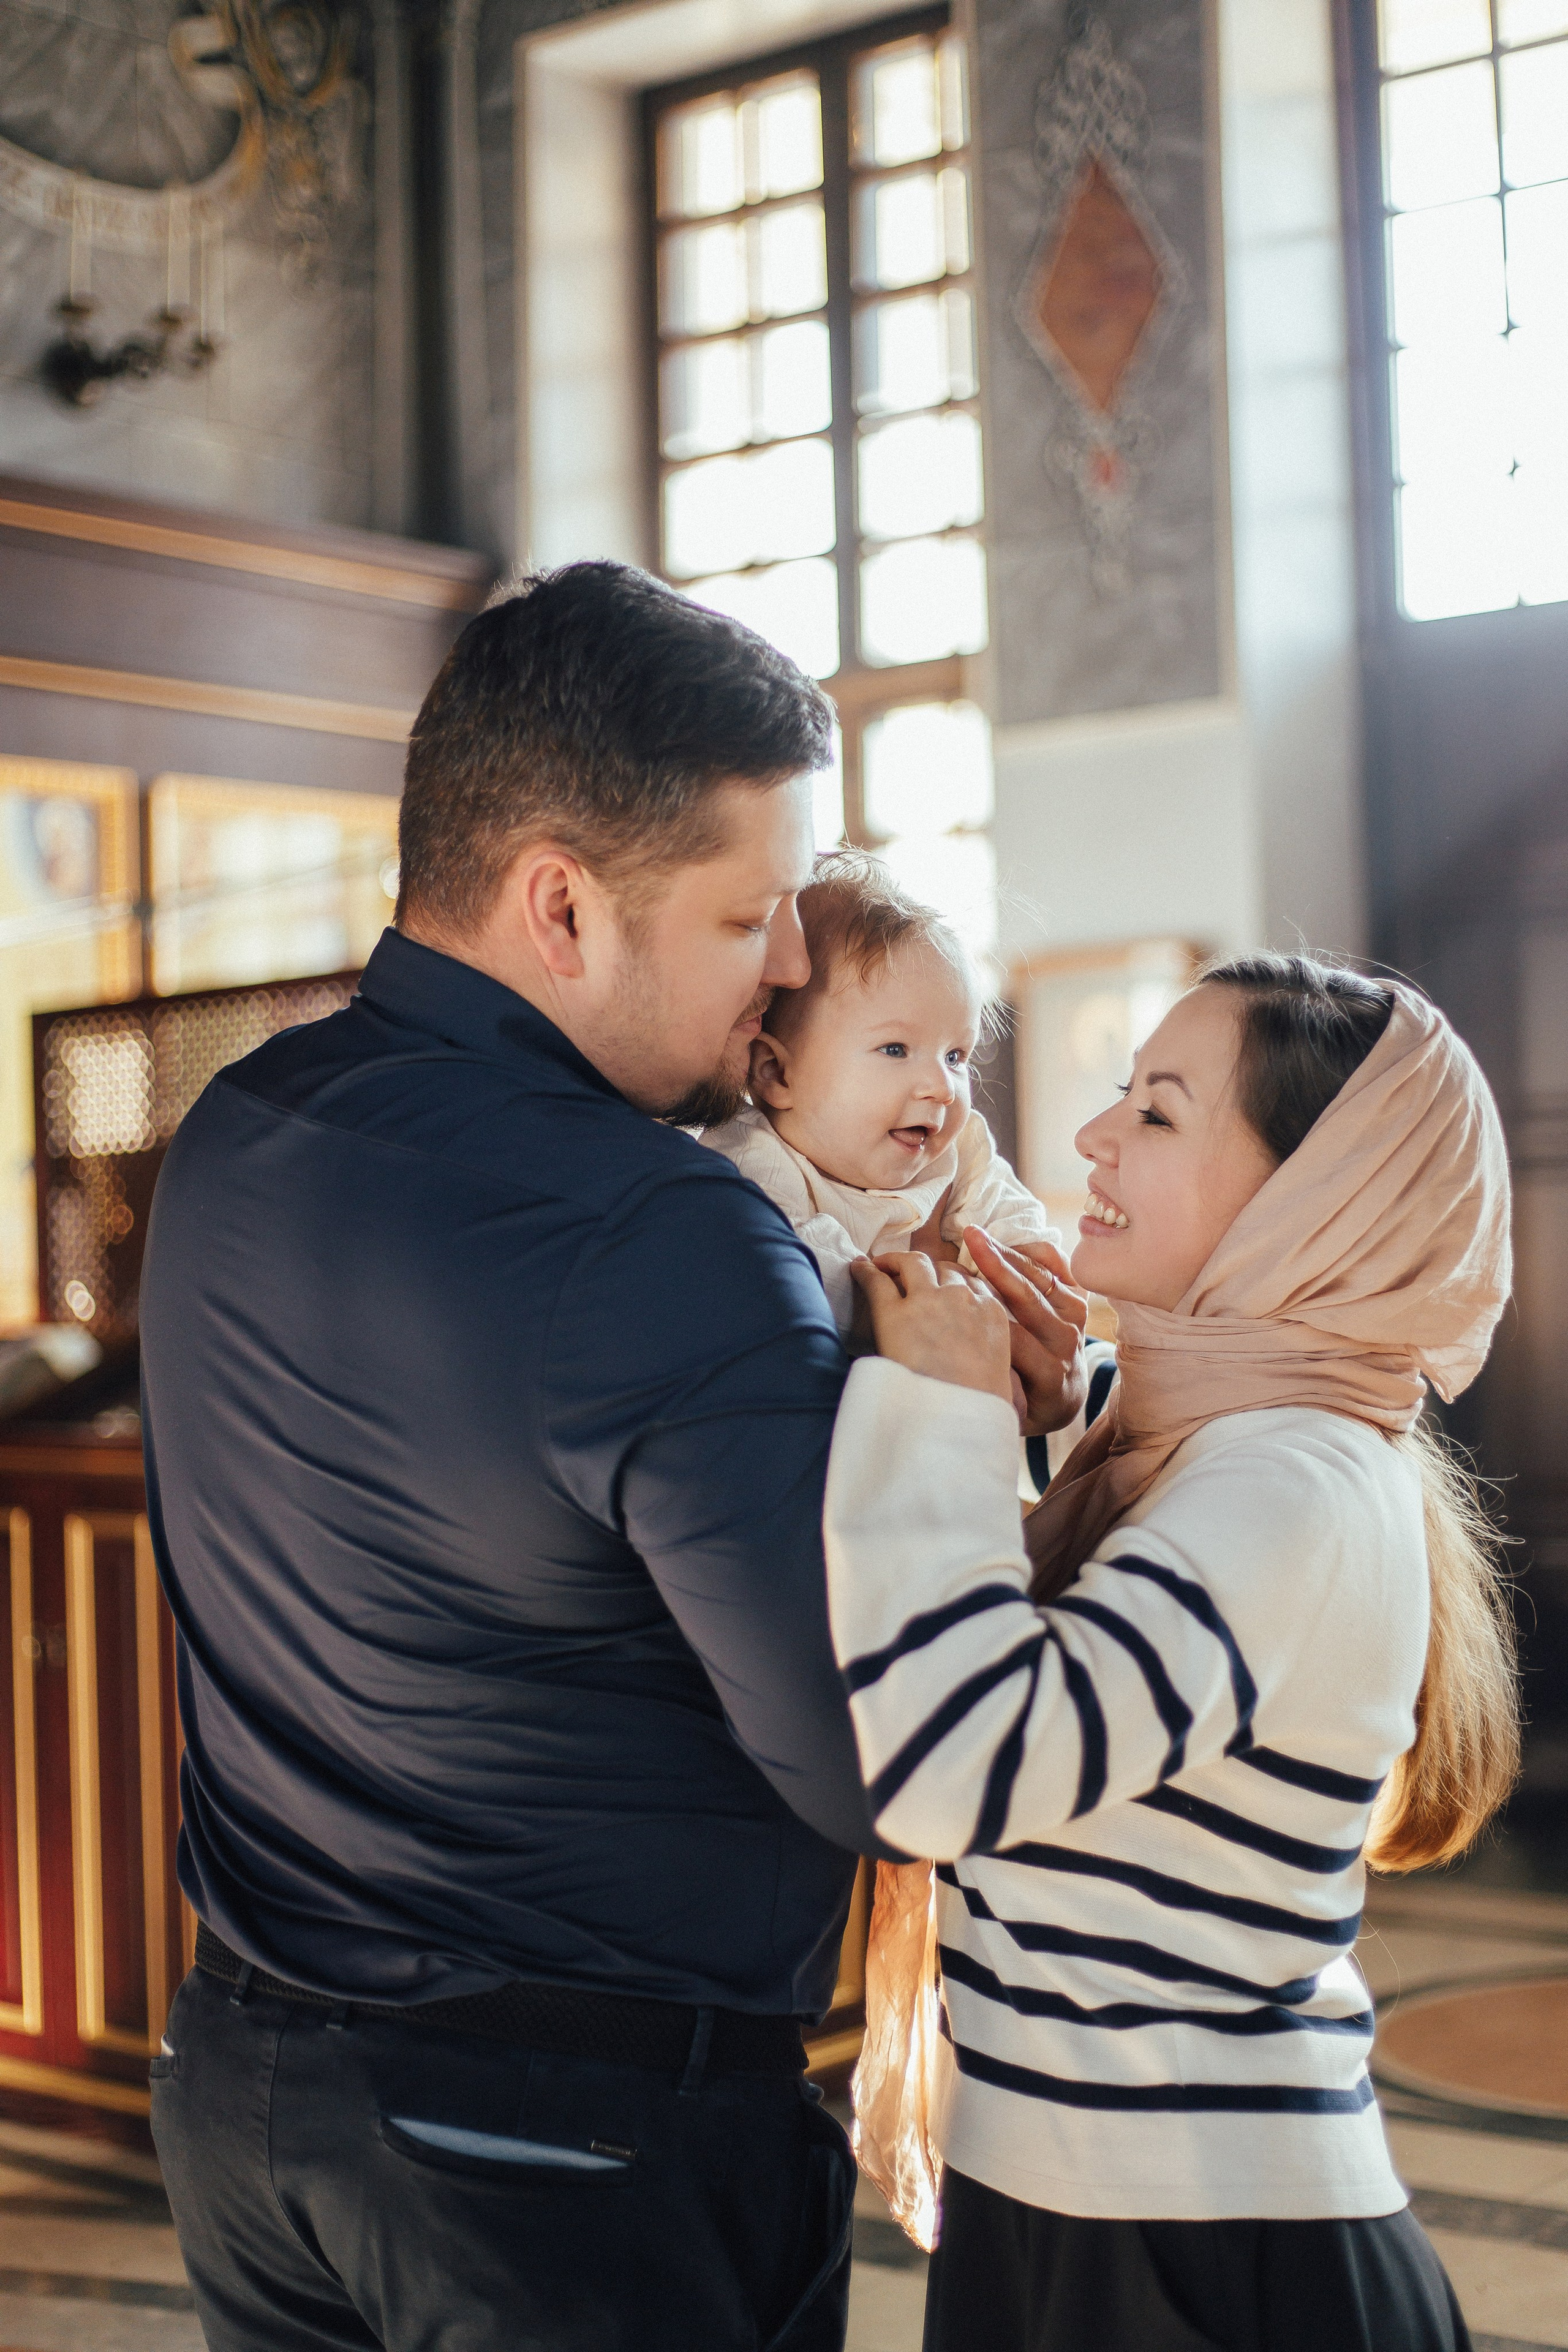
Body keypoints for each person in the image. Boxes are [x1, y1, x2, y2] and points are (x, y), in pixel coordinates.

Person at [138, 561, 1088, 2352]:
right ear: (559, 903)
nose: (794, 964)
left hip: (249, 2103)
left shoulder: (237, 1130)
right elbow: (882, 1751)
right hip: (560, 2161)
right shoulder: (663, 1230)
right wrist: (972, 1414)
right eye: (749, 922)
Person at [827, 954, 1518, 2352]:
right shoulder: (1184, 1443)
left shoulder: (1293, 1484)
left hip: (1201, 2255)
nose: (1089, 1134)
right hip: (1071, 2211)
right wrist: (1045, 1406)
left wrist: (946, 1413)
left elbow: (952, 1765)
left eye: (1155, 1109)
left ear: (1306, 1201)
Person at [701, 851, 1060, 1336]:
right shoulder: (751, 1159)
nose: (941, 1088)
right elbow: (808, 1282)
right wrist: (947, 1291)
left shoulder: (960, 1151)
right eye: (895, 1049)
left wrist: (1025, 1276)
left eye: (956, 1056)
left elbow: (1023, 1244)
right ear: (776, 1074)